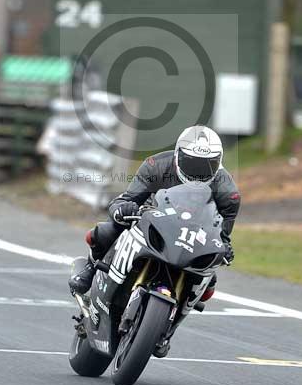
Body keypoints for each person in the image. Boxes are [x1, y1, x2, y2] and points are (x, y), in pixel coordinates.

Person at [69, 125, 240, 299]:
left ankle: (184, 303)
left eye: (207, 165)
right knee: (105, 231)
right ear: (177, 155)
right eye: (191, 163)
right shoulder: (156, 166)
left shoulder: (228, 192)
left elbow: (221, 233)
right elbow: (125, 199)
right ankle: (90, 267)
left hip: (192, 234)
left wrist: (224, 246)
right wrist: (123, 209)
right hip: (152, 219)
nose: (197, 172)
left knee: (209, 282)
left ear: (219, 162)